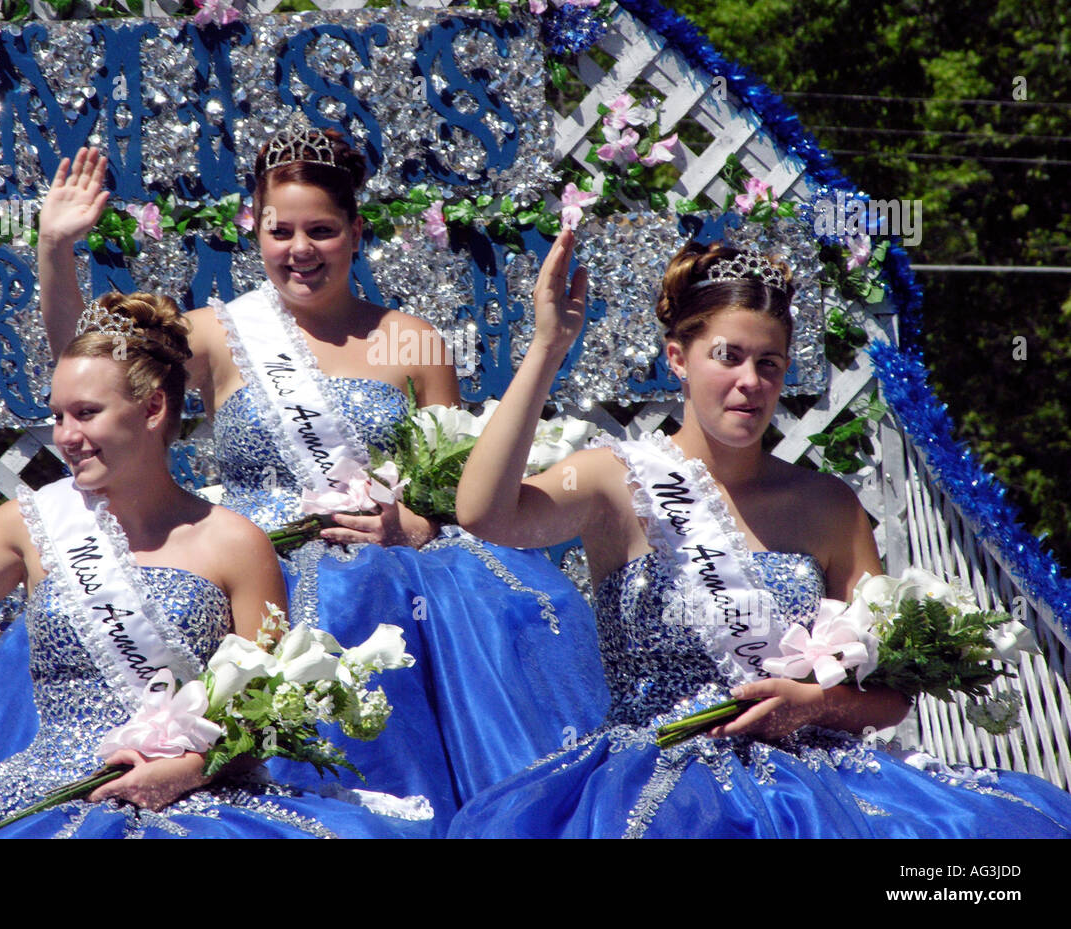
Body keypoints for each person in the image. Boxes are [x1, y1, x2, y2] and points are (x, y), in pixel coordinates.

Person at [32, 123, 608, 830]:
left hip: (385, 593)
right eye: (281, 230)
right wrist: (56, 249)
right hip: (248, 585)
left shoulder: (414, 340)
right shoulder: (213, 333)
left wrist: (415, 526)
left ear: (357, 232)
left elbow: (464, 496)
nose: (300, 250)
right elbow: (89, 370)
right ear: (255, 229)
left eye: (322, 230)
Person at [448, 232, 1071, 838]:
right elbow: (484, 514)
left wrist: (815, 705)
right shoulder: (616, 480)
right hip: (658, 790)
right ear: (677, 359)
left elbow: (889, 697)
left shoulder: (826, 504)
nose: (751, 381)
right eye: (728, 356)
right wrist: (547, 349)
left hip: (818, 789)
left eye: (768, 363)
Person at [0, 292, 428, 838]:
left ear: (153, 410)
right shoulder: (31, 524)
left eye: (86, 413)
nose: (66, 435)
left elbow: (270, 708)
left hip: (203, 805)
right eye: (57, 415)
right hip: (46, 797)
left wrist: (190, 769)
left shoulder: (237, 544)